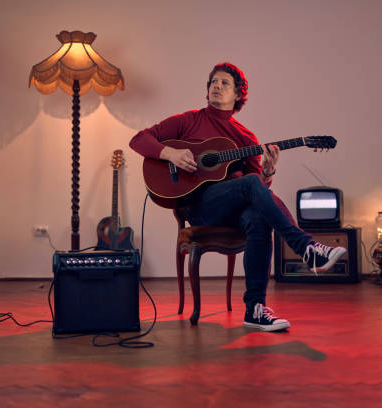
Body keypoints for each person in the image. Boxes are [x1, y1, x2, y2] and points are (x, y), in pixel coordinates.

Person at [129, 62, 346, 332]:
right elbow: (139, 139)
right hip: (201, 207)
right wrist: (170, 154)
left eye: (224, 83)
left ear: (238, 95)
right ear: (207, 91)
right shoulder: (188, 121)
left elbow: (261, 191)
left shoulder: (245, 137)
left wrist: (268, 171)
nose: (217, 86)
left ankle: (255, 308)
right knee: (251, 183)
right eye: (213, 82)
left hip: (235, 209)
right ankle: (306, 248)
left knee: (257, 215)